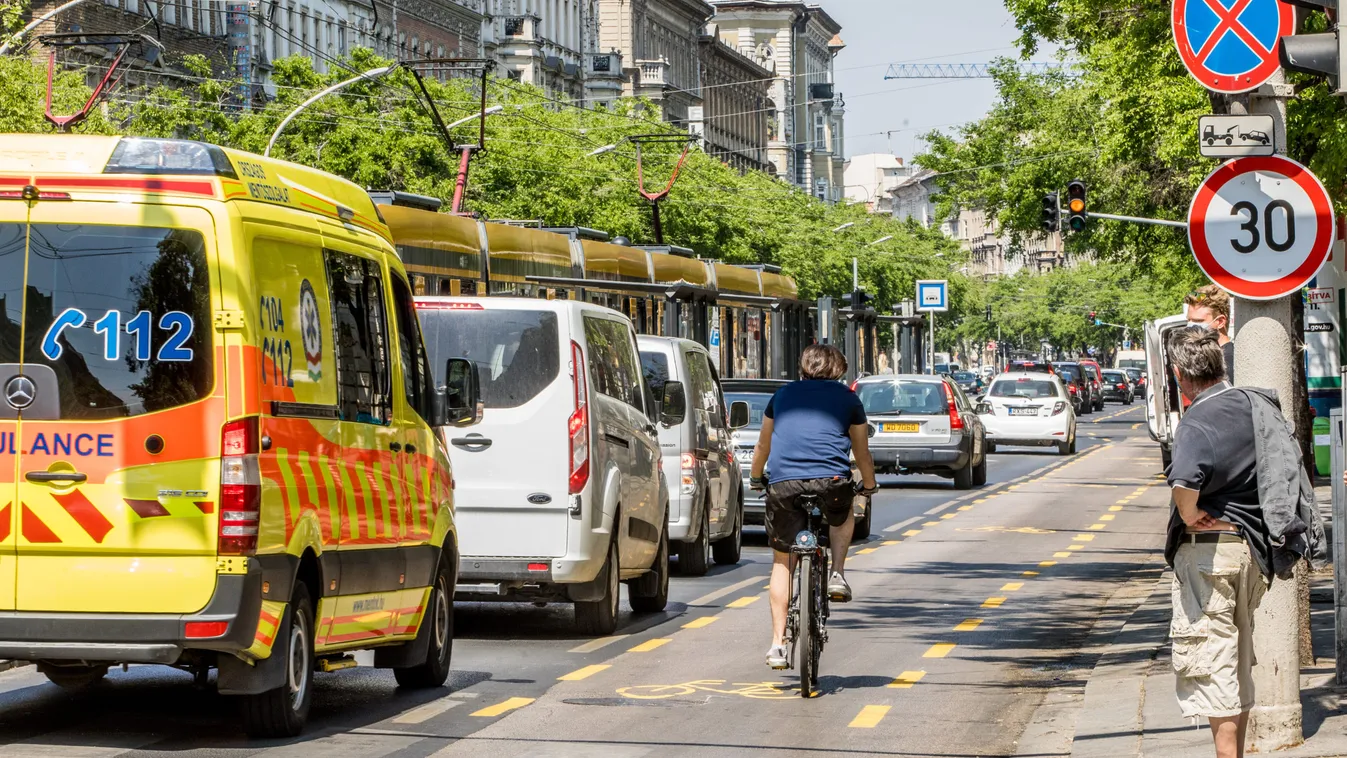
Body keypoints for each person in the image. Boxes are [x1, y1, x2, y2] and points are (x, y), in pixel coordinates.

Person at [1164, 326, 1271, 758]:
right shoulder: (1252, 406)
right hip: (1249, 551)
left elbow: (1185, 481)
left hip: (1210, 556)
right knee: (1237, 662)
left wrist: (1189, 514)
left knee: (1213, 666)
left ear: (1178, 374)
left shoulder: (1198, 419)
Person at [748, 344, 878, 669]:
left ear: (803, 367)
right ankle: (837, 573)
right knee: (843, 514)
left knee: (782, 561)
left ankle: (777, 645)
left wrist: (755, 477)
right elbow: (861, 453)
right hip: (831, 481)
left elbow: (763, 443)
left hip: (783, 483)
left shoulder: (781, 396)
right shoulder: (849, 399)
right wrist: (870, 485)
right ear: (838, 371)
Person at [1184, 285, 1234, 383]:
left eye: (1198, 321)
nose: (1190, 326)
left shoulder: (1230, 363)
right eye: (1189, 320)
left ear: (1220, 322)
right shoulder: (1204, 359)